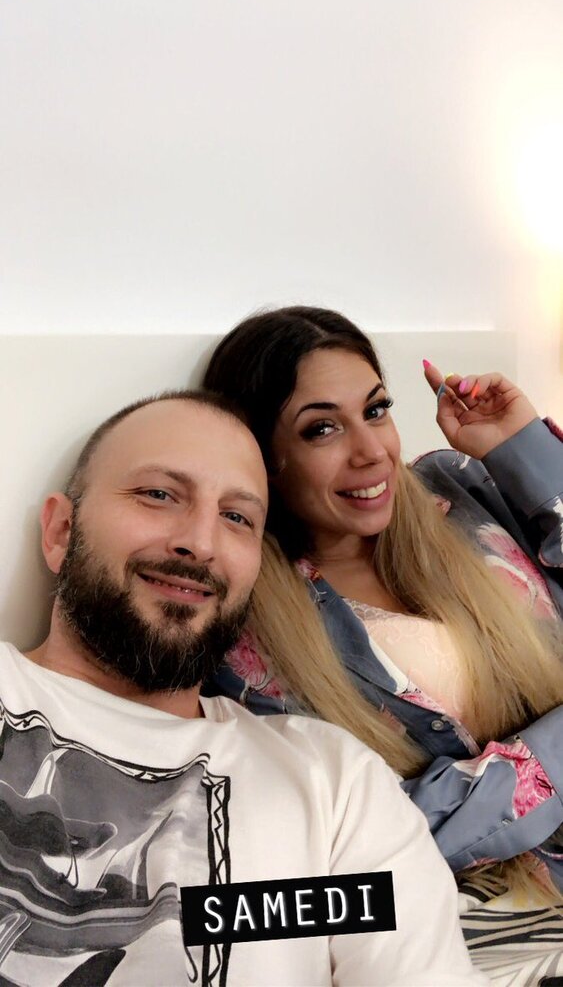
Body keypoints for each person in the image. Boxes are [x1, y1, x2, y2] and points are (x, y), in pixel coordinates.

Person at [0, 388, 484, 987]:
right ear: (60, 531)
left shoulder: (335, 785)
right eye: (159, 494)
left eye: (237, 518)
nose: (200, 544)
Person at [202, 306, 563, 973]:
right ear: (263, 458)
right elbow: (371, 845)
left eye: (375, 410)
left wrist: (523, 451)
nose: (371, 450)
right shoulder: (250, 648)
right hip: (493, 933)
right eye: (322, 428)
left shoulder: (456, 485)